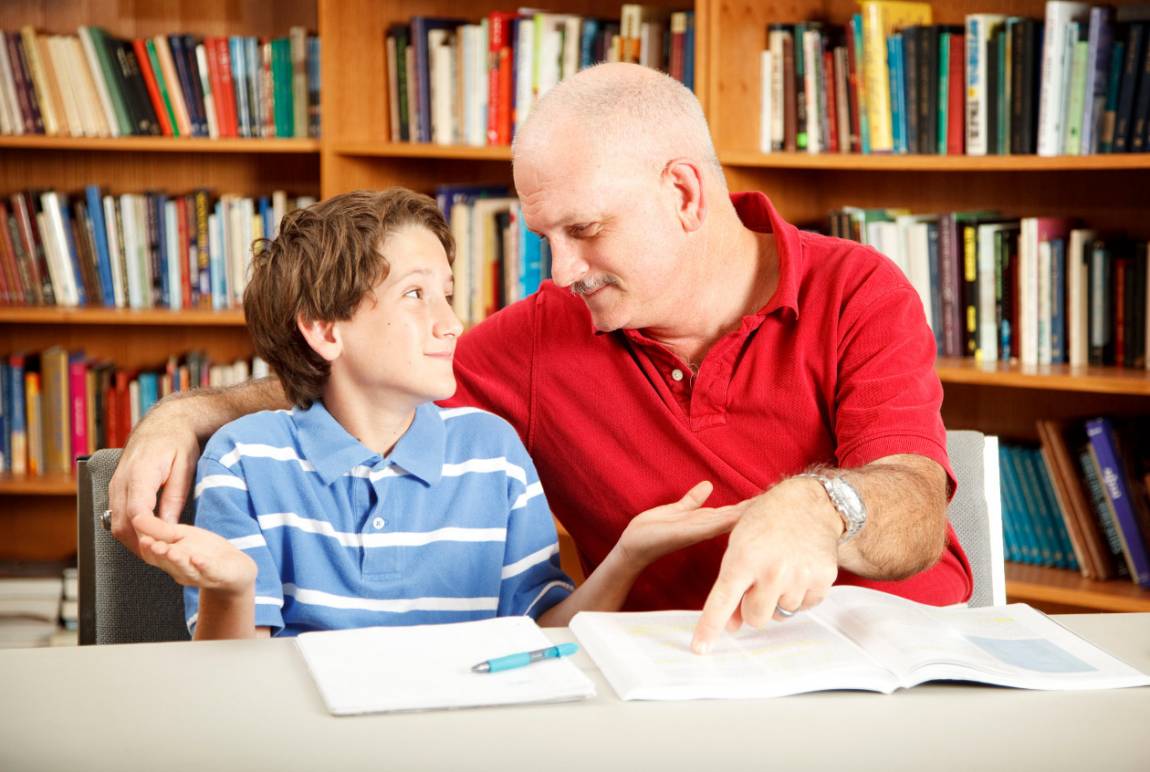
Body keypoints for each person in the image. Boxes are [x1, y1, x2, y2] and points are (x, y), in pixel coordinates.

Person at [110, 63, 971, 652]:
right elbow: (364, 379)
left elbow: (915, 507)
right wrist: (191, 411)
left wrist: (820, 508)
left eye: (586, 230)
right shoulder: (544, 335)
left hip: (891, 656)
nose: (560, 272)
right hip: (682, 673)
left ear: (682, 193)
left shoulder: (857, 289)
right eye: (545, 237)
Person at [130, 188, 738, 638]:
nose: (451, 323)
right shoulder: (244, 459)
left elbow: (541, 633)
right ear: (325, 330)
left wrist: (628, 555)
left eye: (446, 294)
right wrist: (233, 589)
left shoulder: (493, 452)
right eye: (415, 294)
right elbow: (235, 677)